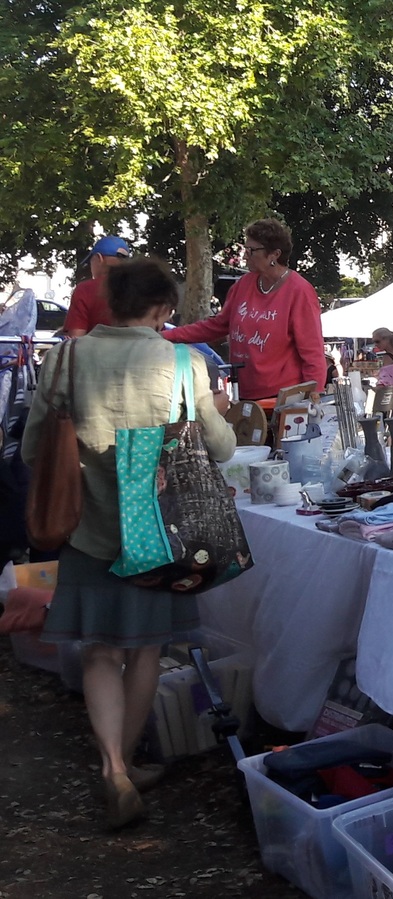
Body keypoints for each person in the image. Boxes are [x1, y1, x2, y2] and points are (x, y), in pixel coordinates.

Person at [23, 258, 235, 828]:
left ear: (109, 304)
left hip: (86, 531)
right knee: (144, 651)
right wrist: (214, 411)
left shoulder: (65, 357)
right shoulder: (186, 362)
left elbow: (31, 450)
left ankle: (113, 766)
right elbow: (221, 450)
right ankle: (128, 762)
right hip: (159, 535)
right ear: (165, 309)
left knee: (98, 650)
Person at [162, 219, 325, 402]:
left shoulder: (299, 291)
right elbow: (217, 326)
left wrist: (313, 396)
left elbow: (313, 353)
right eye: (245, 248)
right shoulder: (243, 285)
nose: (245, 256)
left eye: (251, 250)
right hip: (244, 396)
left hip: (284, 400)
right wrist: (167, 335)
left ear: (274, 255)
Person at [65, 236, 134, 337]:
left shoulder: (85, 290)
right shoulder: (142, 287)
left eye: (91, 261)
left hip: (95, 352)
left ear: (99, 258)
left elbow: (76, 338)